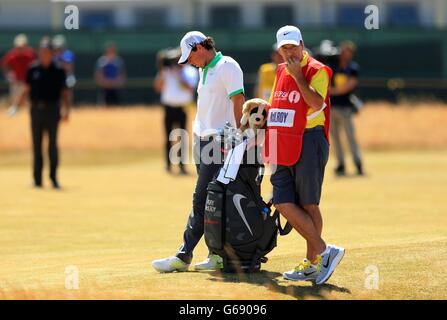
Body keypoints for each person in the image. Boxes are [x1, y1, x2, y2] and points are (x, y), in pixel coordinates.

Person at [152, 31, 245, 273]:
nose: (188, 62)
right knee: (214, 200)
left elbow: (239, 102)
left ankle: (183, 256)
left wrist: (239, 140)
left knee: (202, 199)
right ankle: (217, 254)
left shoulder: (228, 66)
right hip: (201, 141)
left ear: (199, 47)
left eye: (189, 57)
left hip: (220, 142)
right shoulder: (204, 69)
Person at [263, 26, 344, 285]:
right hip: (283, 142)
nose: (289, 52)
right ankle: (325, 252)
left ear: (302, 44)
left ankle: (312, 264)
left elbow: (316, 103)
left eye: (292, 46)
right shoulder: (279, 70)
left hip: (309, 140)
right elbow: (280, 104)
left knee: (309, 204)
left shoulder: (318, 70)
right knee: (282, 201)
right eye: (284, 48)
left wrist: (298, 76)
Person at [12, 37, 70, 189]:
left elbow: (65, 92)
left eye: (47, 51)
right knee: (36, 146)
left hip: (53, 110)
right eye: (42, 51)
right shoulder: (32, 69)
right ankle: (37, 179)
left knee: (52, 145)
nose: (44, 54)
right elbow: (26, 89)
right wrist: (16, 106)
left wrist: (66, 109)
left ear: (52, 53)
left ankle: (53, 178)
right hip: (36, 110)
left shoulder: (58, 69)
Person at [153, 47, 198, 175]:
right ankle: (168, 164)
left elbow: (189, 88)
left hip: (182, 107)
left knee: (182, 136)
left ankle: (182, 166)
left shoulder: (190, 71)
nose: (176, 62)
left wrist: (179, 75)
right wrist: (162, 70)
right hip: (168, 107)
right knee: (168, 137)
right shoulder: (166, 71)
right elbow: (157, 87)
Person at [329, 40, 364, 176]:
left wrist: (331, 91)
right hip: (332, 107)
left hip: (345, 108)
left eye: (347, 51)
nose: (344, 54)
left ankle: (357, 163)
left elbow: (349, 85)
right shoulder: (333, 65)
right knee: (335, 138)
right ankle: (340, 164)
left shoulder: (352, 68)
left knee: (350, 137)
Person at [2, 33, 36, 115]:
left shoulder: (30, 54)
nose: (20, 48)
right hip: (16, 80)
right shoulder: (12, 54)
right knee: (14, 96)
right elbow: (5, 65)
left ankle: (31, 111)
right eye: (18, 46)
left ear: (25, 45)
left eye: (22, 46)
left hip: (28, 80)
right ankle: (14, 109)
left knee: (30, 98)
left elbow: (36, 64)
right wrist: (9, 75)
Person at [94, 42, 126, 106]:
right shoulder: (101, 61)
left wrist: (116, 82)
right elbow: (98, 74)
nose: (111, 52)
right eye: (109, 50)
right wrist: (104, 82)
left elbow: (122, 74)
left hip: (116, 87)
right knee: (104, 105)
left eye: (112, 50)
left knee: (117, 105)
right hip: (104, 87)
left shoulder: (118, 61)